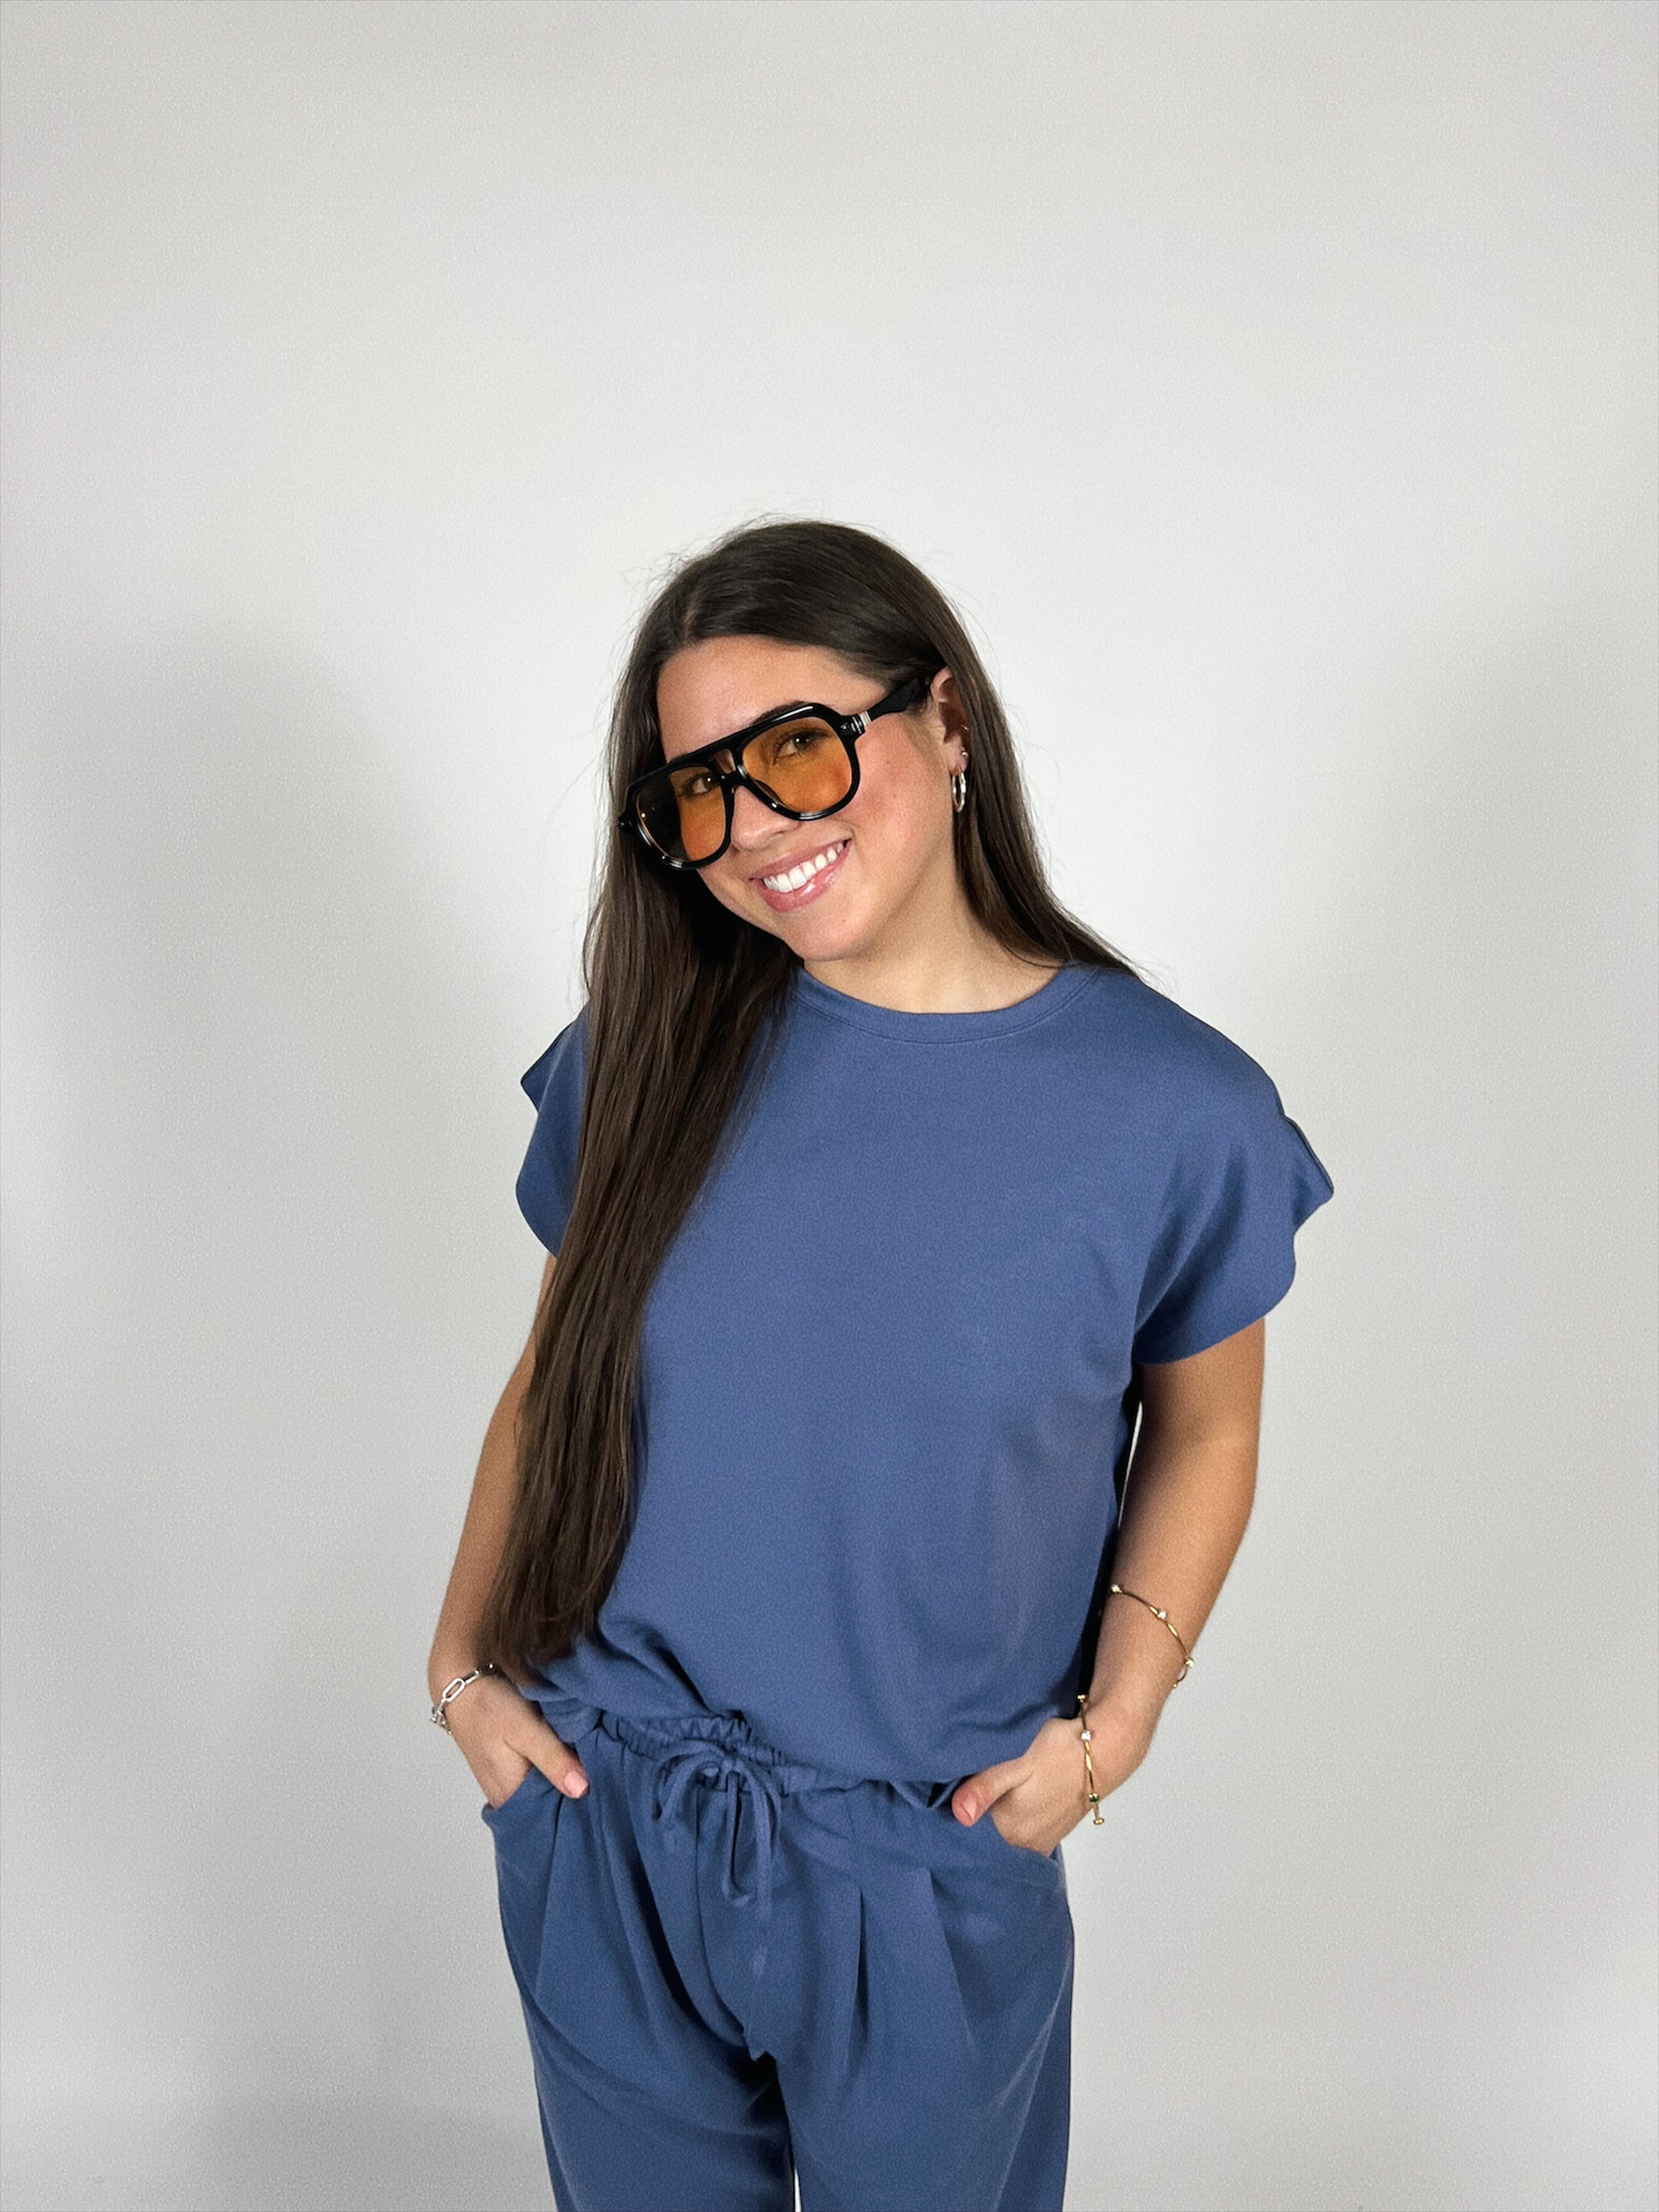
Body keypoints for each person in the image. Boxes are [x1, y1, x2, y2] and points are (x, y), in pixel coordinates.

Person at [427, 518, 1334, 2212]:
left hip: (926, 1848)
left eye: (794, 749)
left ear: (947, 718)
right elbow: (555, 1373)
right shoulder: (649, 1046)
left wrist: (1115, 1728)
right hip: (606, 1811)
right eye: (699, 794)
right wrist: (463, 1661)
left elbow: (1207, 1433)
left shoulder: (1174, 1110)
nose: (754, 828)